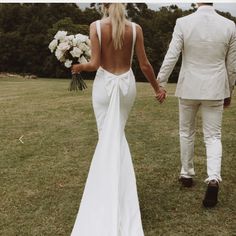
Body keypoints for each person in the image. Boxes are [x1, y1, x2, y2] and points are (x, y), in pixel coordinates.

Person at [70, 3, 166, 235]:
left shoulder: (95, 26)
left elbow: (93, 65)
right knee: (116, 136)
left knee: (107, 138)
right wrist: (157, 88)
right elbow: (144, 64)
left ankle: (107, 194)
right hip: (126, 87)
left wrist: (78, 67)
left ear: (103, 5)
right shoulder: (136, 29)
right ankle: (120, 195)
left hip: (104, 87)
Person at [157, 2, 236, 208]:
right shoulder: (229, 25)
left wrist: (161, 83)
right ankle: (213, 179)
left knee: (186, 132)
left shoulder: (183, 22)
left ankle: (186, 174)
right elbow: (232, 64)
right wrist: (230, 89)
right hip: (216, 87)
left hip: (189, 87)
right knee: (213, 136)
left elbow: (171, 55)